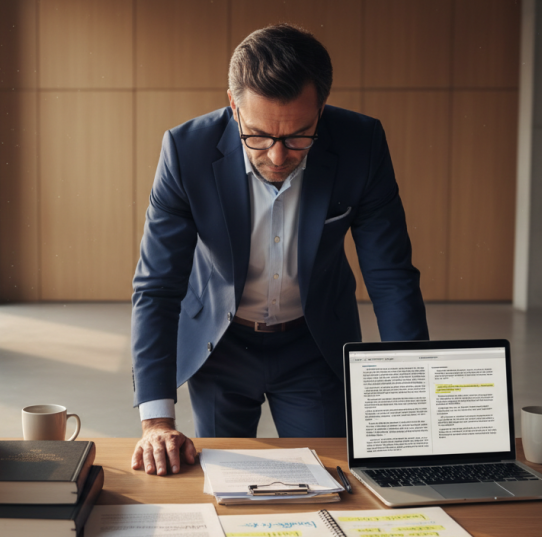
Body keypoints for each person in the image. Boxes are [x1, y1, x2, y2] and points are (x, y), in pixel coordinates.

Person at [130, 24, 429, 476]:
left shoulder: (360, 145)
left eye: (297, 137)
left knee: (332, 479)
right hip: (219, 343)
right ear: (234, 108)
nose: (276, 155)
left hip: (314, 344)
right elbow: (157, 287)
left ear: (321, 110)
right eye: (258, 136)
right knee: (223, 483)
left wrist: (412, 395)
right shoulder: (186, 151)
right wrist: (156, 420)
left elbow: (390, 276)